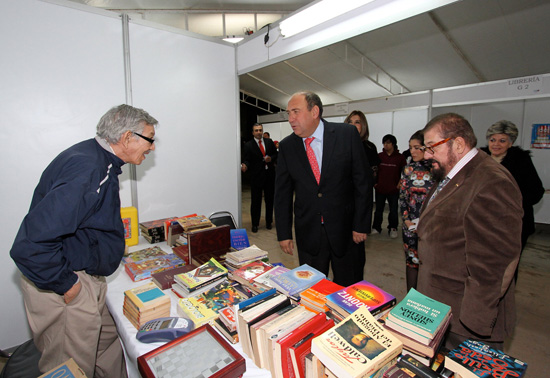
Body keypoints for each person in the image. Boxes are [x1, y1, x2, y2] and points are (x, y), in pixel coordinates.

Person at [10, 104, 158, 377]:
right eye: (150, 139)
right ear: (127, 137)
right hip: (67, 284)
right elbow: (29, 245)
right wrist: (67, 285)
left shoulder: (97, 160)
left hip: (83, 275)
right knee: (69, 366)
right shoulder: (89, 169)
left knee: (108, 343)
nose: (152, 148)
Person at [417, 113, 522, 351]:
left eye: (431, 147)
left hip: (463, 323)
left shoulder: (491, 182)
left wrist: (472, 328)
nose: (426, 155)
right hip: (439, 307)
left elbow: (494, 266)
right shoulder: (453, 172)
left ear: (459, 144)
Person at [274, 91, 372, 287]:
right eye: (288, 113)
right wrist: (283, 234)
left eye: (295, 112)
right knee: (312, 289)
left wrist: (361, 224)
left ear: (315, 111)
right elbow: (282, 193)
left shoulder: (346, 134)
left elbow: (363, 182)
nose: (290, 119)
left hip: (346, 231)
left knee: (349, 287)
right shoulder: (287, 146)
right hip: (309, 231)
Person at [480, 120, 544, 252]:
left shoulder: (521, 161)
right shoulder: (479, 159)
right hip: (484, 221)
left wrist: (509, 202)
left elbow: (536, 191)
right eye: (492, 140)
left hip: (513, 223)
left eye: (502, 141)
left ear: (511, 143)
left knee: (508, 265)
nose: (496, 144)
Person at [398, 130, 433, 291]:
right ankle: (410, 300)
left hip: (431, 226)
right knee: (411, 262)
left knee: (430, 265)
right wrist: (406, 219)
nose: (412, 151)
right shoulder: (408, 170)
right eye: (410, 147)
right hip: (410, 226)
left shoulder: (436, 170)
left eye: (417, 147)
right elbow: (403, 197)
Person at [241, 123, 278, 232]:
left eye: (260, 130)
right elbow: (246, 159)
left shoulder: (269, 142)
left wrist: (271, 158)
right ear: (253, 133)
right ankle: (255, 224)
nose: (259, 132)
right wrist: (245, 165)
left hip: (269, 176)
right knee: (256, 201)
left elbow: (276, 155)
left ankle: (268, 222)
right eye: (256, 130)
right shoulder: (248, 145)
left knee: (270, 200)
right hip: (256, 177)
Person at [371, 134, 406, 238]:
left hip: (393, 190)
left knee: (393, 211)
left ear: (393, 144)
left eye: (388, 143)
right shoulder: (379, 156)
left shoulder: (400, 157)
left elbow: (404, 172)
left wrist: (399, 184)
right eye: (384, 143)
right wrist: (375, 183)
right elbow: (374, 171)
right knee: (378, 210)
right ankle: (376, 227)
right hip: (380, 188)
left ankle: (393, 228)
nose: (385, 145)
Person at [345, 110, 381, 179]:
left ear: (363, 125)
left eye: (357, 122)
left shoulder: (370, 147)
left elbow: (373, 174)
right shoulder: (340, 145)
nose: (353, 125)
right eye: (350, 122)